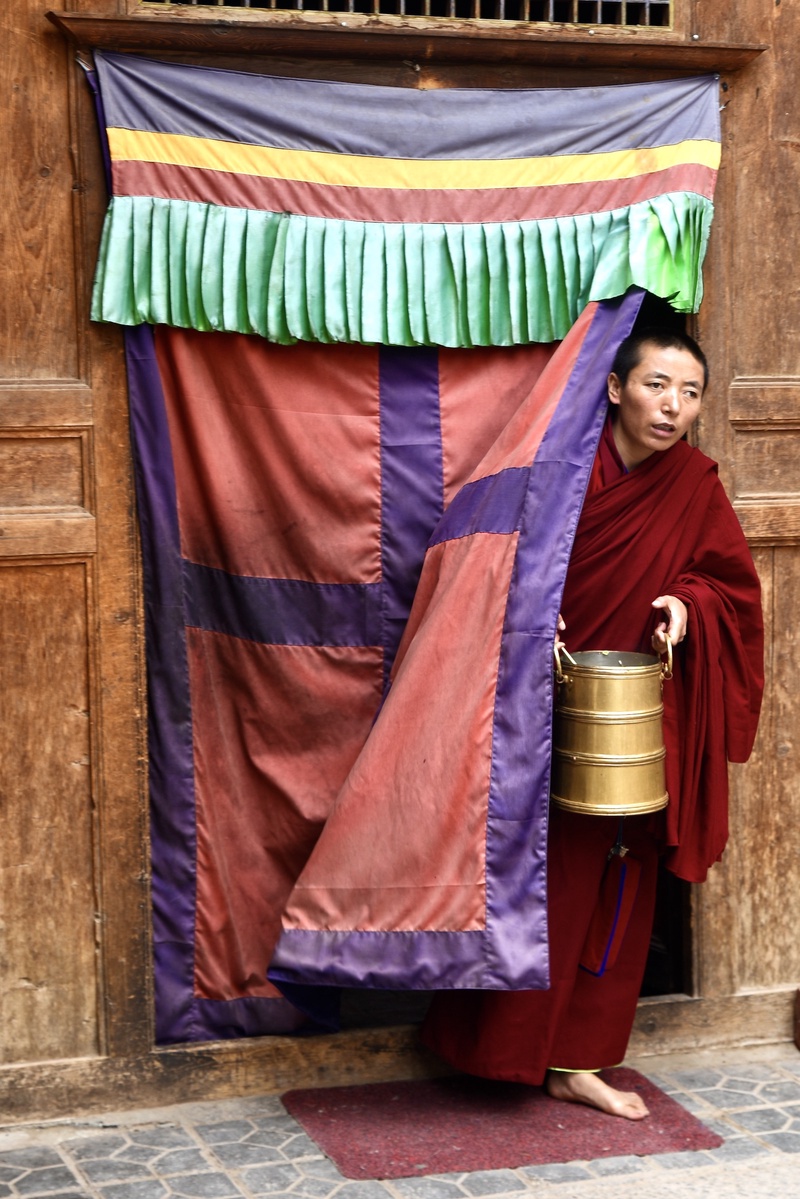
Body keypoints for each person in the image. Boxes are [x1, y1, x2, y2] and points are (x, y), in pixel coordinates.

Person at [419, 328, 764, 1121]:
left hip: (634, 717)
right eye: (656, 386)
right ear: (615, 389)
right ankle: (494, 1049)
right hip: (529, 707)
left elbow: (728, 587)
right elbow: (485, 554)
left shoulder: (694, 483)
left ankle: (579, 1060)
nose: (673, 407)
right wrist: (533, 617)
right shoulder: (559, 463)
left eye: (689, 393)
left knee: (616, 876)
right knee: (524, 874)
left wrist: (685, 604)